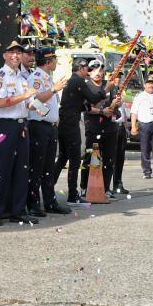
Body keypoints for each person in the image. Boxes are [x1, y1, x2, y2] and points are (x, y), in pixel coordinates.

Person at [0, 42, 38, 226]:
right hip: (3, 127)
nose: (16, 56)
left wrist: (42, 108)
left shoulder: (23, 79)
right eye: (12, 53)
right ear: (4, 56)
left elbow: (30, 103)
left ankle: (18, 211)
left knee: (22, 170)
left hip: (21, 126)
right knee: (1, 169)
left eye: (18, 53)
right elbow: (1, 103)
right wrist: (25, 96)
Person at [25, 47, 69, 216]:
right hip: (38, 127)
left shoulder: (47, 78)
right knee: (37, 167)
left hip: (50, 127)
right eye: (54, 60)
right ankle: (34, 203)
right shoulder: (36, 77)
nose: (56, 62)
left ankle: (50, 201)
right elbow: (34, 101)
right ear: (48, 61)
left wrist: (52, 116)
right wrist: (54, 89)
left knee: (49, 167)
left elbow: (47, 104)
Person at [55, 60, 100, 204]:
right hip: (70, 124)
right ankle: (72, 195)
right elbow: (93, 98)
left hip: (64, 123)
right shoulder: (78, 81)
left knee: (62, 158)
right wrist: (106, 90)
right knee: (74, 160)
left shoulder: (73, 81)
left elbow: (79, 105)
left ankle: (48, 187)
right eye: (87, 68)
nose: (89, 71)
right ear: (80, 68)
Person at [78, 65, 116, 198]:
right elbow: (86, 107)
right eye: (94, 70)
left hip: (110, 127)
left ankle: (106, 188)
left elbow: (114, 101)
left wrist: (117, 103)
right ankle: (83, 187)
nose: (98, 73)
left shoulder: (109, 84)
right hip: (93, 127)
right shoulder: (86, 86)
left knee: (109, 159)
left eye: (100, 70)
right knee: (90, 158)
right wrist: (102, 111)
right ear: (89, 72)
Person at [130, 78, 153, 178]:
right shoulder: (139, 96)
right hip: (144, 125)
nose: (151, 85)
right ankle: (147, 172)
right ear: (144, 85)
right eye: (148, 84)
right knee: (145, 149)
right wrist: (133, 126)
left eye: (152, 83)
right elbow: (134, 112)